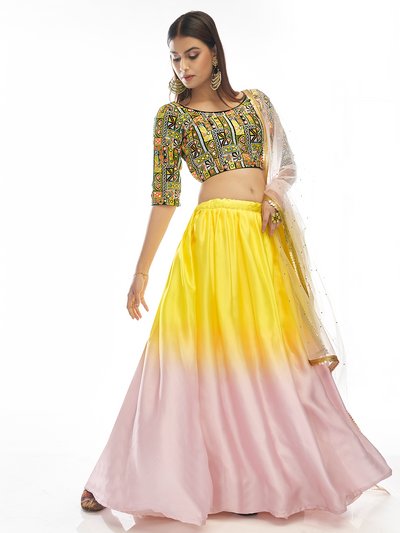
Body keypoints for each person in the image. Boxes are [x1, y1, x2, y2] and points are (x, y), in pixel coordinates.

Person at [80, 10, 392, 527]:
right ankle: (116, 478)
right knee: (180, 364)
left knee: (274, 360)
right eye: (175, 58)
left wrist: (272, 196)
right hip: (208, 244)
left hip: (258, 243)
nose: (183, 66)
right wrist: (141, 271)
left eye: (192, 54)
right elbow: (164, 197)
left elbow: (285, 164)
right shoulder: (172, 118)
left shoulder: (257, 103)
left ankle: (256, 480)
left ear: (215, 53)